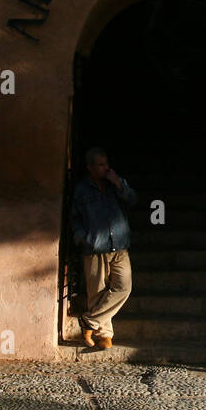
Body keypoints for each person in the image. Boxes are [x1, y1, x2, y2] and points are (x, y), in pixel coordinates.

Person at [70, 147, 138, 350]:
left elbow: (133, 200)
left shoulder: (114, 185)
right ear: (90, 167)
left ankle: (89, 321)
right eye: (100, 165)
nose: (105, 168)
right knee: (97, 293)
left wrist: (118, 183)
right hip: (95, 246)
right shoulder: (82, 190)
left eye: (106, 164)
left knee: (124, 287)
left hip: (119, 245)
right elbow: (75, 218)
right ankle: (104, 335)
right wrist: (82, 239)